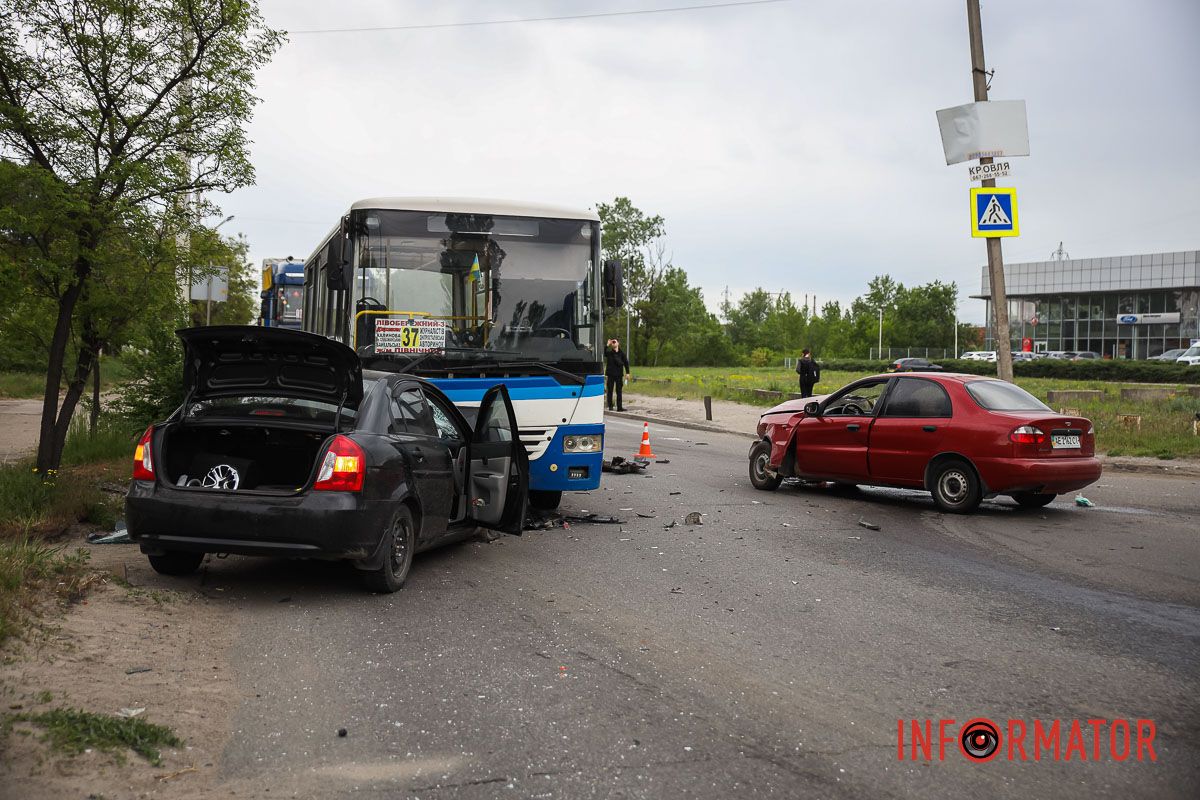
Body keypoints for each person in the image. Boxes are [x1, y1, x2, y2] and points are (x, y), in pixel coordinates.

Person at [605, 338, 631, 411]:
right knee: (610, 391)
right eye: (612, 342)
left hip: (619, 375)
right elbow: (604, 353)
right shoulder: (610, 353)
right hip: (610, 375)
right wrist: (607, 345)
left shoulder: (622, 354)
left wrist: (628, 373)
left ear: (618, 343)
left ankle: (619, 407)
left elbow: (626, 363)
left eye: (614, 342)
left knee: (619, 391)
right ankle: (610, 406)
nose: (613, 343)